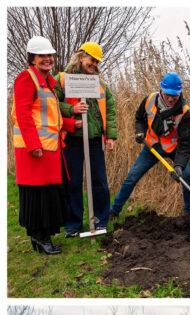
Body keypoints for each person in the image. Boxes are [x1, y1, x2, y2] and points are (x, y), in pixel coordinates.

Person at [12, 35, 79, 255]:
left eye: (50, 55)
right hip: (35, 151)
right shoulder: (26, 78)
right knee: (38, 195)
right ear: (32, 58)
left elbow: (51, 117)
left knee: (49, 193)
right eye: (42, 56)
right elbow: (23, 114)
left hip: (49, 149)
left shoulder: (47, 83)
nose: (48, 59)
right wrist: (33, 145)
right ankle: (40, 238)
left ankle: (44, 237)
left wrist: (71, 123)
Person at [110, 73, 190, 224]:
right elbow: (139, 119)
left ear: (179, 94)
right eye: (168, 95)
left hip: (175, 148)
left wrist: (178, 166)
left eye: (175, 96)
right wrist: (140, 131)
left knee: (187, 175)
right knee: (132, 177)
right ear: (161, 91)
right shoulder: (149, 100)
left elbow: (186, 144)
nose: (171, 99)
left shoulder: (185, 113)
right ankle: (114, 211)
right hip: (152, 146)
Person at [56, 41, 116, 235]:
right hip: (72, 139)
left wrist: (110, 136)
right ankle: (73, 225)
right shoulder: (63, 79)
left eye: (98, 62)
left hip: (95, 139)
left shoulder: (100, 83)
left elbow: (110, 110)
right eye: (92, 60)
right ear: (81, 57)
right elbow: (51, 104)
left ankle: (100, 221)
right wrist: (71, 109)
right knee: (72, 182)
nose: (95, 65)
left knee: (99, 181)